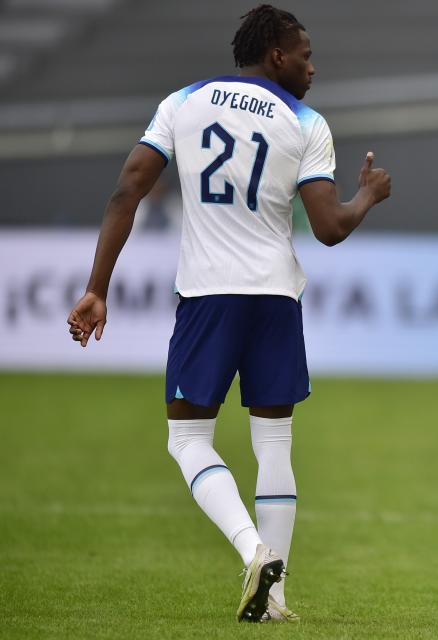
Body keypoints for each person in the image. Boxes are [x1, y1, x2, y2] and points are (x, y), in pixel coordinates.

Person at [66, 5, 391, 624]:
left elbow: (126, 190)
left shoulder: (182, 102)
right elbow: (329, 228)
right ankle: (274, 598)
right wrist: (368, 195)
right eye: (304, 54)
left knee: (187, 438)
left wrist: (96, 287)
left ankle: (253, 550)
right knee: (274, 443)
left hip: (209, 296)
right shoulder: (306, 121)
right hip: (275, 298)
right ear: (275, 55)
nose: (312, 67)